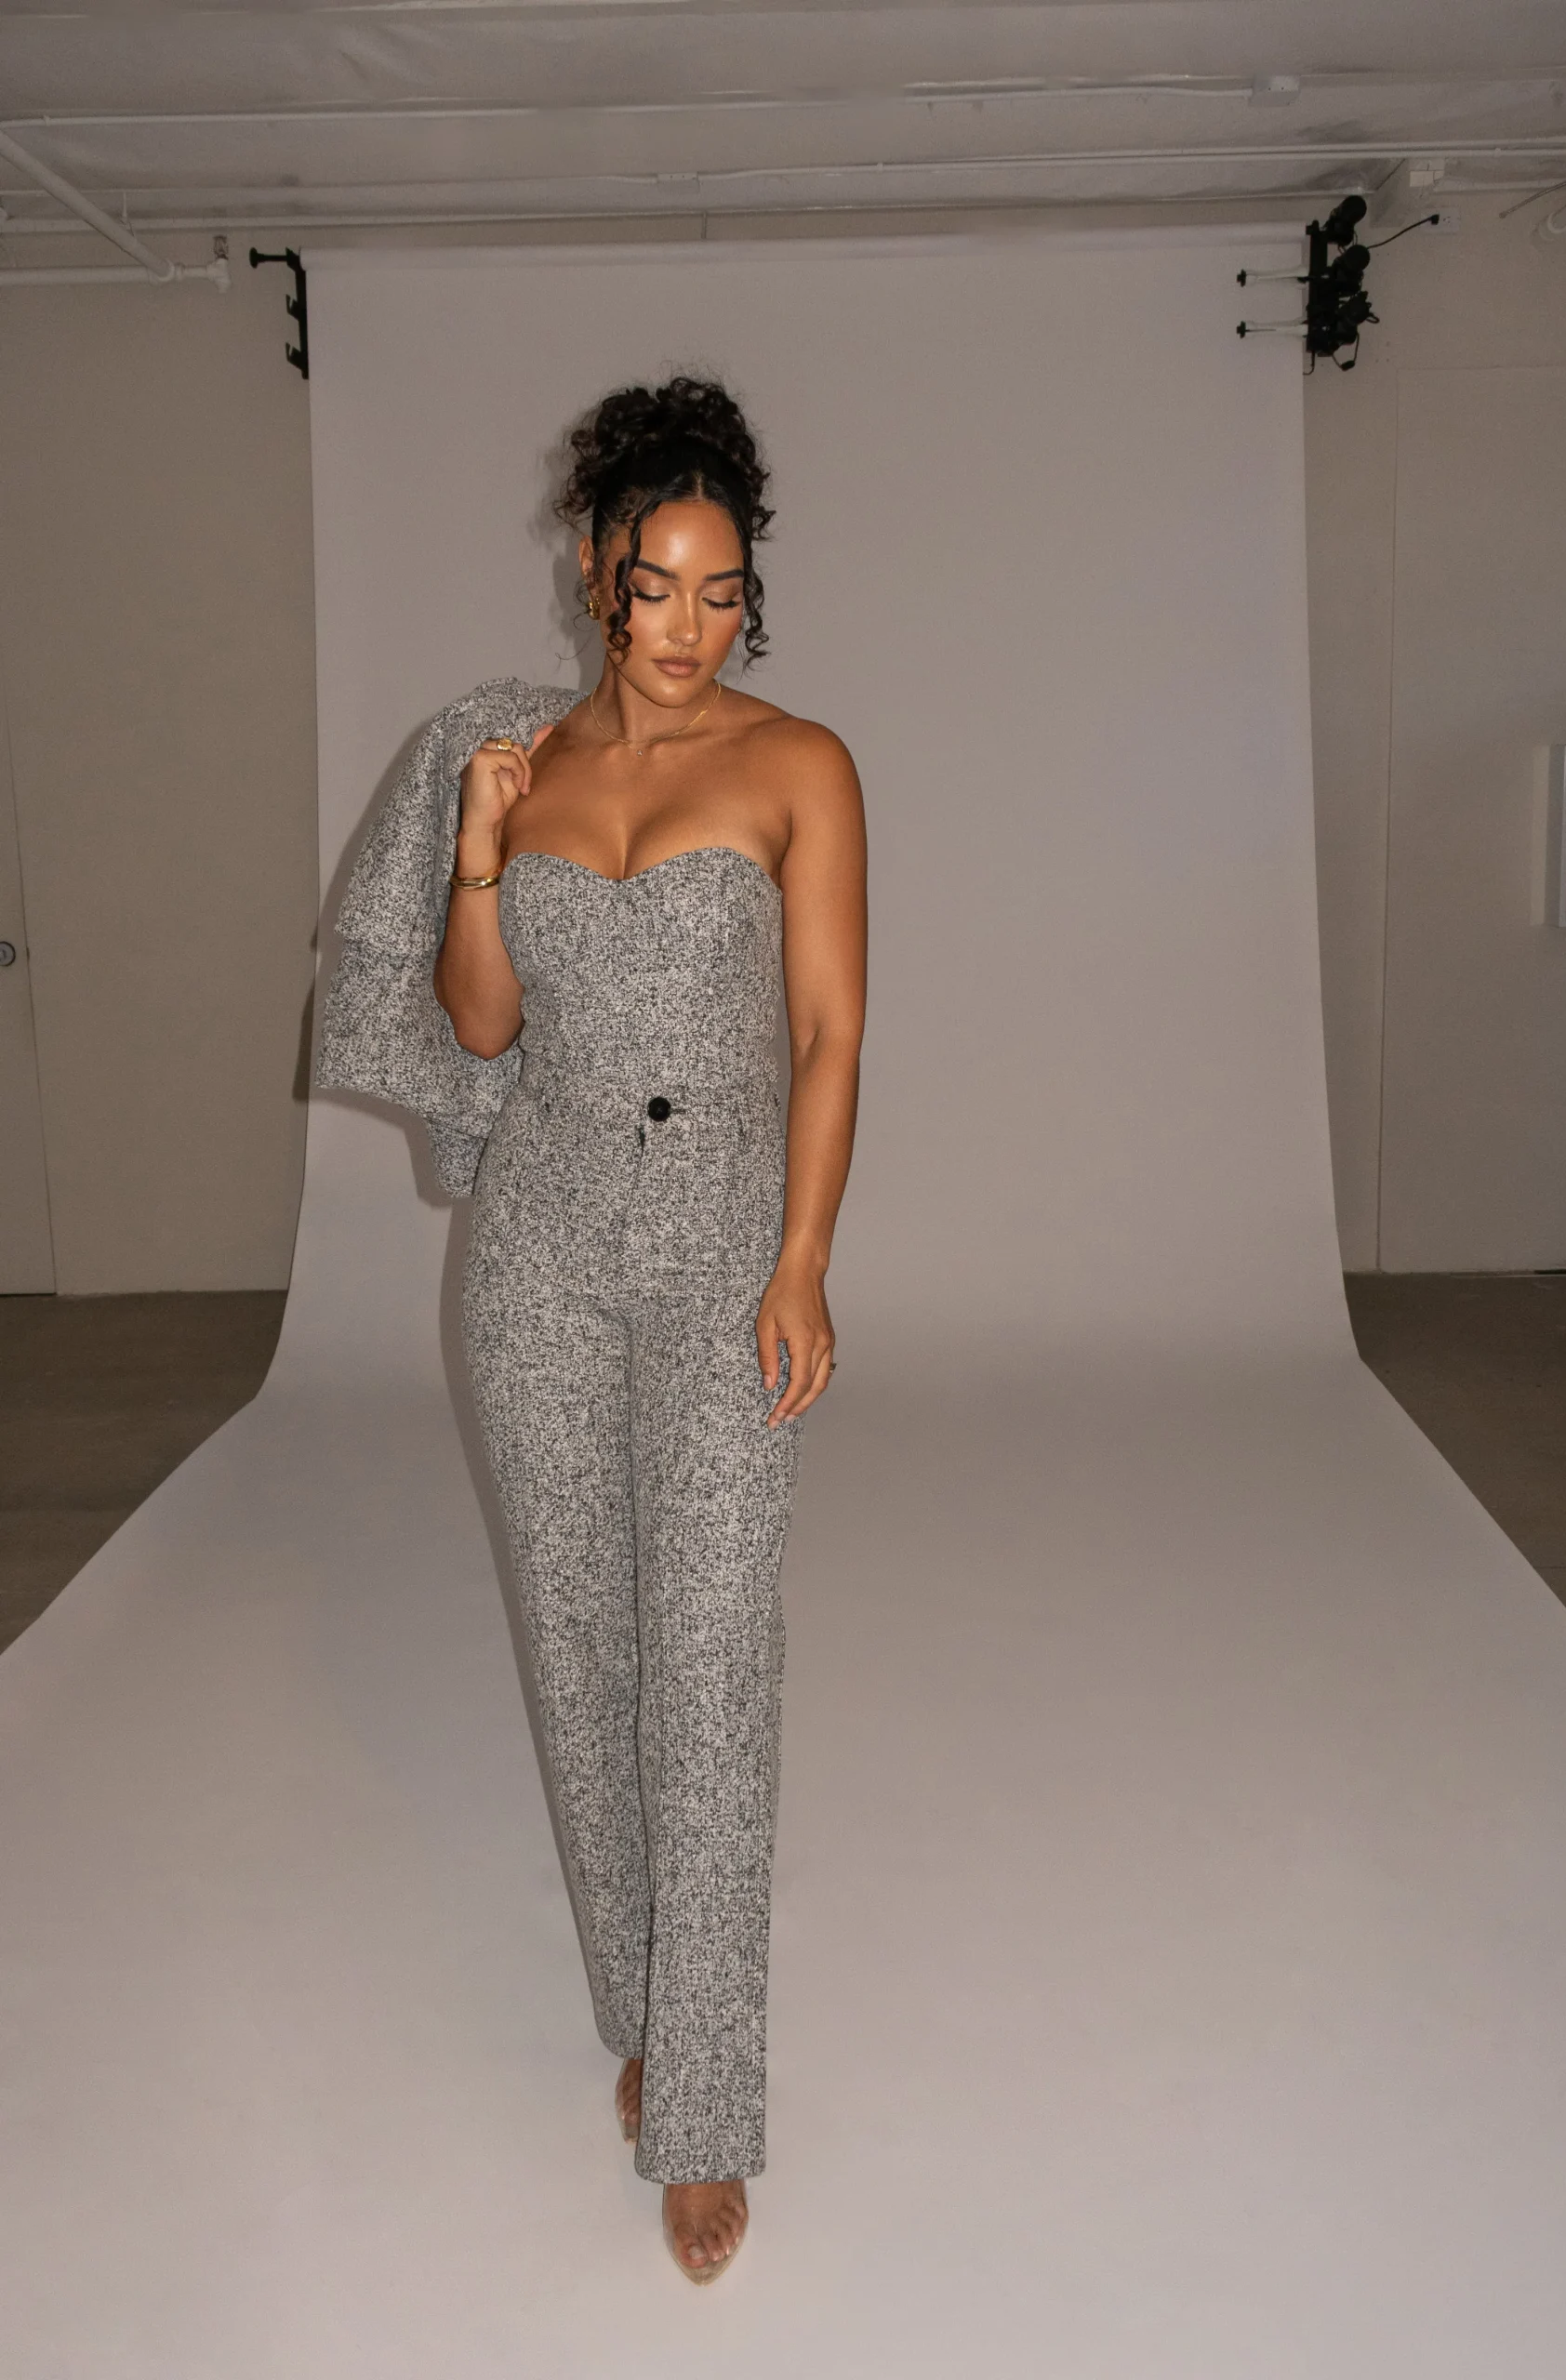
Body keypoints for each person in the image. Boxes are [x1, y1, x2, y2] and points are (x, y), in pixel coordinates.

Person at [430, 377, 867, 2281]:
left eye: (723, 591)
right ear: (595, 571)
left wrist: (802, 1258)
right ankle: (639, 2009)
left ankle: (703, 2109)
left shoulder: (799, 766)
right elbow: (479, 1026)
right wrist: (477, 850)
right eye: (657, 586)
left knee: (712, 1664)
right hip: (534, 1252)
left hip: (717, 1252)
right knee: (582, 1647)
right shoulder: (521, 761)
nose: (690, 629)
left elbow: (830, 1032)